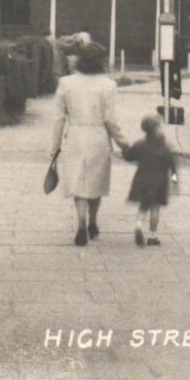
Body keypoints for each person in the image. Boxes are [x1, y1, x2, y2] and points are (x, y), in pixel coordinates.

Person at [48, 43, 127, 245]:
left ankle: (81, 222)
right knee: (95, 182)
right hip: (98, 137)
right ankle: (93, 221)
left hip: (75, 137)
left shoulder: (66, 83)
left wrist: (55, 146)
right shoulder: (108, 85)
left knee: (78, 181)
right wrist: (123, 143)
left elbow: (58, 118)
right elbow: (111, 120)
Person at [122, 113, 178, 247]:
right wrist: (175, 180)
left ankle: (139, 224)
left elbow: (129, 156)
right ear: (157, 129)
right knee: (155, 208)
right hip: (159, 183)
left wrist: (125, 149)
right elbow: (172, 166)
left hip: (142, 180)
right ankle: (153, 236)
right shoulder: (164, 147)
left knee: (143, 205)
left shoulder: (140, 145)